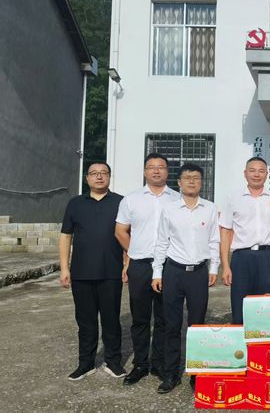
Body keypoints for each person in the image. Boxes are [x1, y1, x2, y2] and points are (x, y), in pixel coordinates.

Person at [151, 163, 219, 394]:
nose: (192, 181)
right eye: (187, 177)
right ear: (179, 182)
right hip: (174, 271)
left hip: (198, 273)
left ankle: (196, 373)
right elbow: (162, 241)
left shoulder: (209, 208)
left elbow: (214, 240)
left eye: (196, 177)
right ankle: (171, 374)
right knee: (172, 325)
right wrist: (157, 272)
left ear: (201, 182)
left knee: (197, 325)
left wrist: (214, 268)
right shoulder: (169, 209)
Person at [115, 153, 179, 385]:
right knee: (140, 318)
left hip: (168, 265)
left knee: (164, 317)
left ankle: (159, 362)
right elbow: (120, 231)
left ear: (167, 171)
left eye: (161, 167)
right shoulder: (131, 200)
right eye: (151, 167)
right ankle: (140, 363)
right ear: (144, 172)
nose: (156, 171)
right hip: (141, 265)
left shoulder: (177, 199)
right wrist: (133, 252)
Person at [59, 162, 126, 381]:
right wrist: (64, 268)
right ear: (87, 178)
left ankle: (113, 361)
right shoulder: (75, 203)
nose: (99, 177)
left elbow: (128, 234)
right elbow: (66, 236)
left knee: (111, 320)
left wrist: (128, 263)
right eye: (94, 173)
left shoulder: (121, 202)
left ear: (109, 177)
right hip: (81, 273)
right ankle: (85, 364)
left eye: (103, 173)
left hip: (111, 272)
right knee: (85, 321)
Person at [219, 157, 270, 324]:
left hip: (267, 257)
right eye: (252, 170)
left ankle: (262, 340)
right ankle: (240, 339)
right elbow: (225, 232)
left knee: (264, 307)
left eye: (261, 171)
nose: (256, 175)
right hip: (241, 258)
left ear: (267, 174)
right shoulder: (233, 198)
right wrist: (225, 266)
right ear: (245, 173)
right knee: (240, 306)